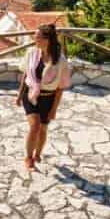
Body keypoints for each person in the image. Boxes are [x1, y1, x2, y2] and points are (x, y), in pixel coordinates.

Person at [16, 23, 70, 172]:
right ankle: (28, 158)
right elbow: (25, 74)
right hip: (31, 94)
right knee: (34, 126)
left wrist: (54, 109)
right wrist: (20, 95)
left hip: (48, 98)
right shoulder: (31, 53)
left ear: (47, 40)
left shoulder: (60, 61)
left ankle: (37, 154)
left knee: (43, 130)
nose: (34, 39)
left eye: (37, 37)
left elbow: (61, 88)